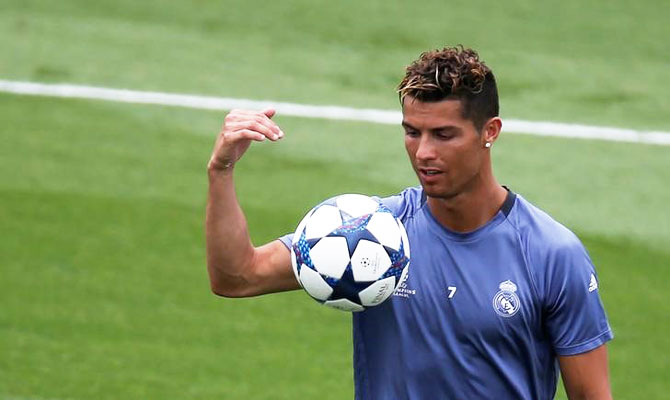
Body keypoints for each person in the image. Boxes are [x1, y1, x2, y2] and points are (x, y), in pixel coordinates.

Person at [206, 46, 614, 399]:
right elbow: (238, 277)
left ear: (489, 131)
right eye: (412, 132)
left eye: (443, 135)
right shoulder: (371, 232)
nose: (423, 153)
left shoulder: (550, 254)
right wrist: (221, 170)